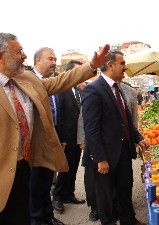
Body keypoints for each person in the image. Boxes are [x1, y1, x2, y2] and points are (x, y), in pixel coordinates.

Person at [0, 32, 109, 225]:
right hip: (2, 172)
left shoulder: (26, 79)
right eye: (19, 52)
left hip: (24, 165)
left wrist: (91, 66)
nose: (25, 56)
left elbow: (59, 81)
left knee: (22, 214)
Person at [82, 50, 148, 225]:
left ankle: (129, 220)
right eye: (122, 63)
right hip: (105, 154)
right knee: (105, 196)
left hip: (123, 151)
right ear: (110, 65)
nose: (125, 67)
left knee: (125, 189)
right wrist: (100, 158)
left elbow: (125, 119)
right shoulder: (93, 90)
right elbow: (91, 129)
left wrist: (137, 137)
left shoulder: (118, 88)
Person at [29, 47, 64, 225]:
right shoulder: (27, 81)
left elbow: (56, 113)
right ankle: (37, 219)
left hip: (52, 139)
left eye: (55, 59)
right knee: (36, 185)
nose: (54, 62)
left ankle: (48, 216)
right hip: (35, 145)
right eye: (50, 59)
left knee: (46, 182)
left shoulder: (51, 82)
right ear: (37, 61)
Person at [52, 60, 86, 214]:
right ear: (70, 73)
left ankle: (69, 194)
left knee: (73, 167)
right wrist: (61, 139)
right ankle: (58, 197)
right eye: (78, 71)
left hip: (78, 138)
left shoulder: (79, 90)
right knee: (64, 168)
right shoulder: (61, 90)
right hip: (66, 138)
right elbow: (58, 116)